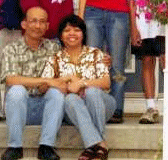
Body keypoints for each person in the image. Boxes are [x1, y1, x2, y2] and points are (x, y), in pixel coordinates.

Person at [42, 14, 116, 160]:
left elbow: (106, 83)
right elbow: (43, 87)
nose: (72, 34)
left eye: (76, 30)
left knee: (93, 92)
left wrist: (82, 83)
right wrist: (66, 81)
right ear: (61, 36)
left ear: (83, 34)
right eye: (67, 30)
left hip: (102, 106)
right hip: (73, 112)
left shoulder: (96, 54)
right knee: (70, 99)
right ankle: (99, 144)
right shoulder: (54, 59)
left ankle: (92, 145)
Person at [0, 6, 67, 160]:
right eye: (34, 21)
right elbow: (11, 79)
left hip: (46, 108)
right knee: (17, 90)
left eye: (42, 22)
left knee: (56, 94)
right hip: (19, 108)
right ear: (24, 24)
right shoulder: (12, 49)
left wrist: (102, 59)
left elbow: (61, 80)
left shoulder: (54, 48)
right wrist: (45, 80)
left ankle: (46, 147)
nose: (38, 26)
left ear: (47, 26)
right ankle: (15, 147)